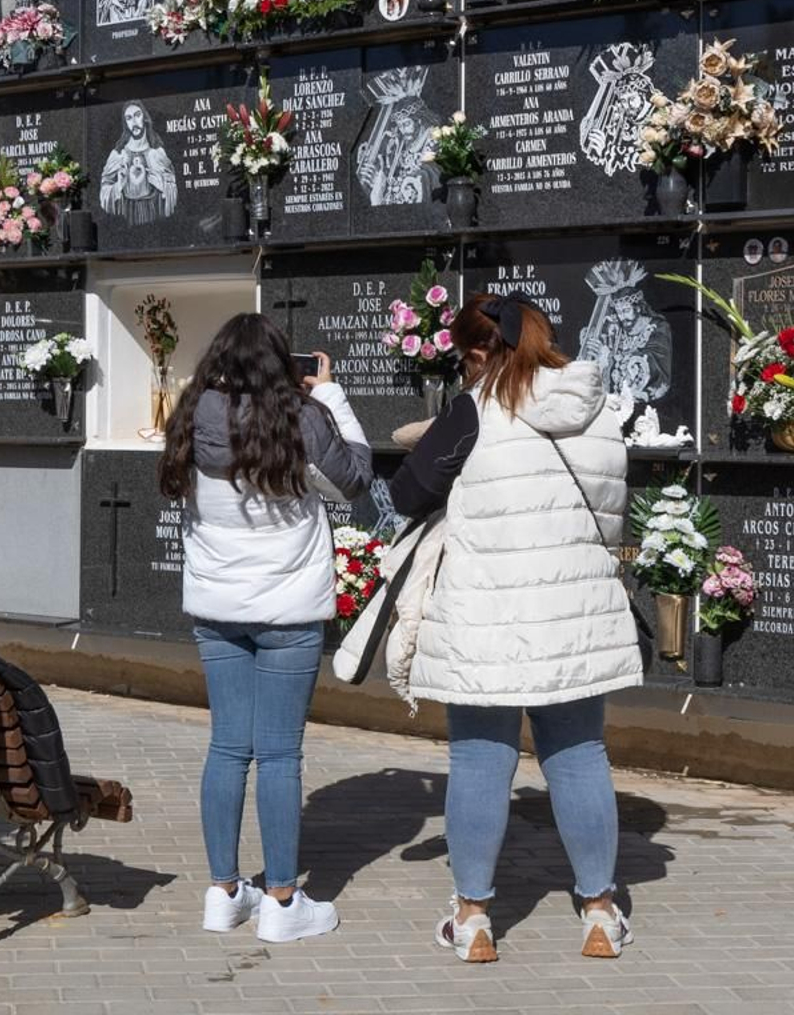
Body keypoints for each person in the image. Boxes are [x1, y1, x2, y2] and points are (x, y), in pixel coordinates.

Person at [388, 291, 642, 964]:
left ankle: (473, 918)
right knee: (580, 756)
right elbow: (614, 512)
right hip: (572, 615)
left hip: (486, 617)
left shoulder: (473, 409)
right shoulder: (596, 408)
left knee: (479, 761)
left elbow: (405, 495)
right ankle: (599, 911)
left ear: (478, 353)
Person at [158, 313, 375, 944]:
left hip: (218, 610)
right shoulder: (300, 418)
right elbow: (354, 481)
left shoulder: (192, 416)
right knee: (279, 753)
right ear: (283, 363)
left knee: (229, 747)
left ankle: (223, 893)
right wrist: (330, 394)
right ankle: (282, 901)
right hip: (288, 611)